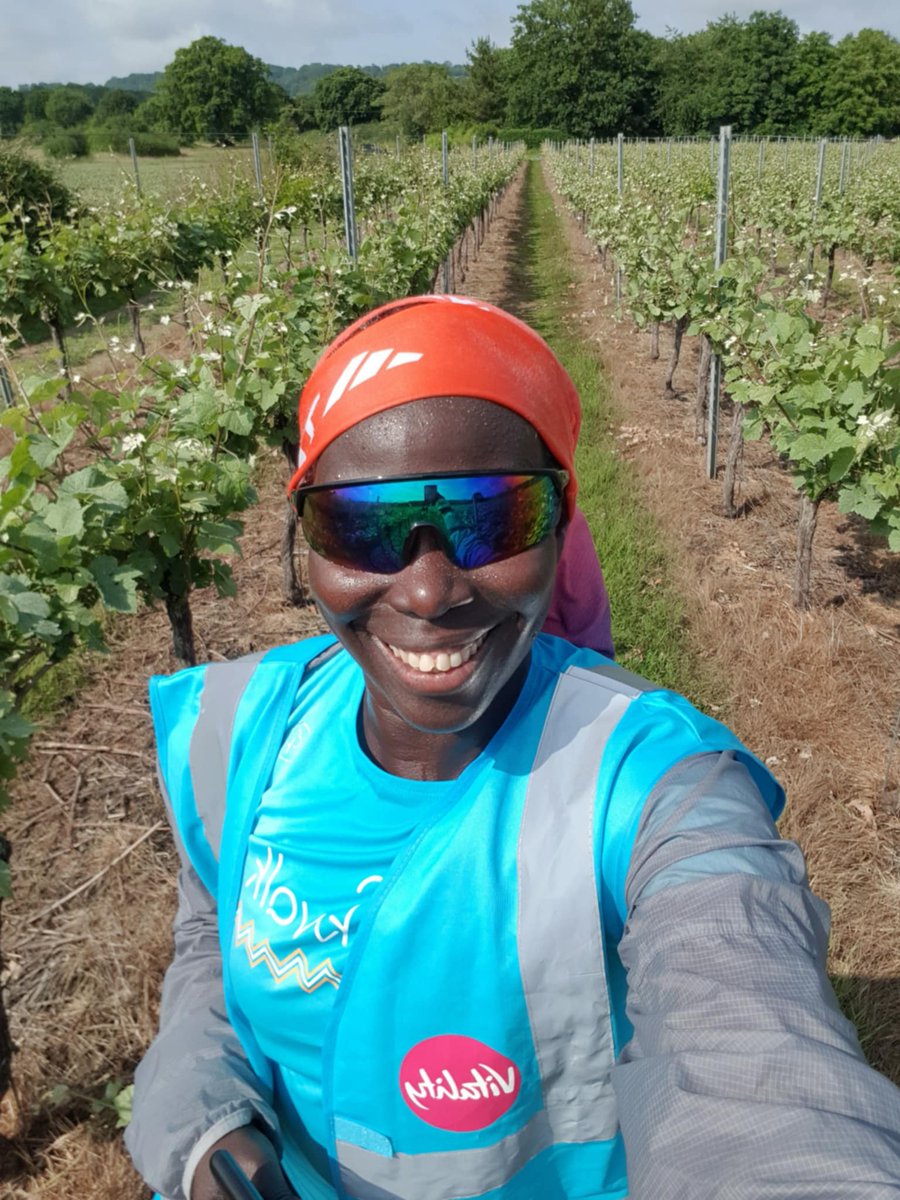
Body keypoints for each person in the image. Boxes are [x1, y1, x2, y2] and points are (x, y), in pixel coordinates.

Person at [127, 295, 900, 1200]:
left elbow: (750, 1051)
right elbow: (212, 947)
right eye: (363, 525)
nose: (428, 592)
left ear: (561, 522)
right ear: (309, 544)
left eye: (490, 519)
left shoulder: (652, 787)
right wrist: (207, 1132)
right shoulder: (236, 731)